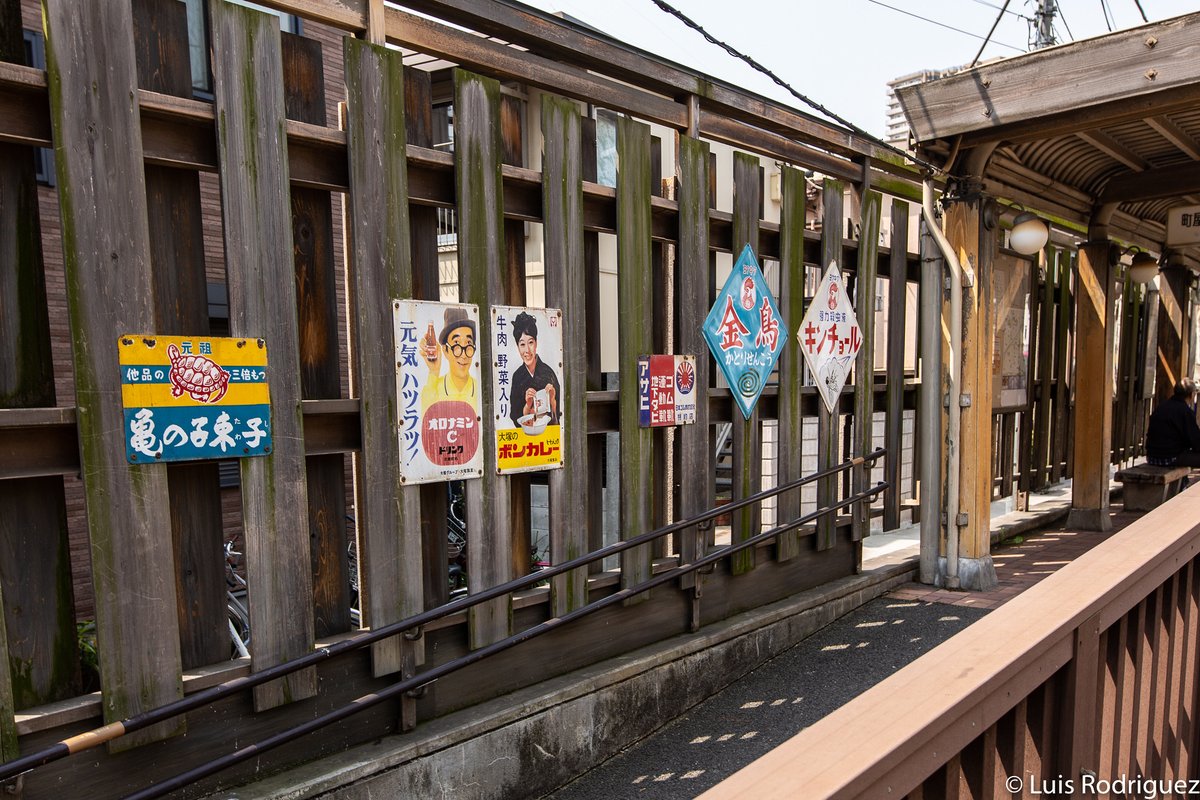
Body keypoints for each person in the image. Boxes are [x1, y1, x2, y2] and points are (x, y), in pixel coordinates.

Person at [419, 306, 479, 411]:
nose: (464, 355)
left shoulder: (479, 388)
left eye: (469, 343)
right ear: (445, 350)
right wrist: (434, 371)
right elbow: (425, 417)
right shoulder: (434, 388)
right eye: (456, 344)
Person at [509, 311, 560, 428]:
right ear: (517, 347)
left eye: (530, 342)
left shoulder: (549, 373)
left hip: (547, 440)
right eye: (522, 344)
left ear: (536, 343)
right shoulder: (517, 376)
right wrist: (527, 406)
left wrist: (552, 401)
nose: (527, 350)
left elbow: (558, 421)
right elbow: (514, 417)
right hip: (525, 441)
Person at [1145, 377, 1200, 468]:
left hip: (1152, 457)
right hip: (1170, 457)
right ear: (1191, 395)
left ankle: (1183, 481)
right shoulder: (1185, 411)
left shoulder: (1162, 407)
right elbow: (1196, 442)